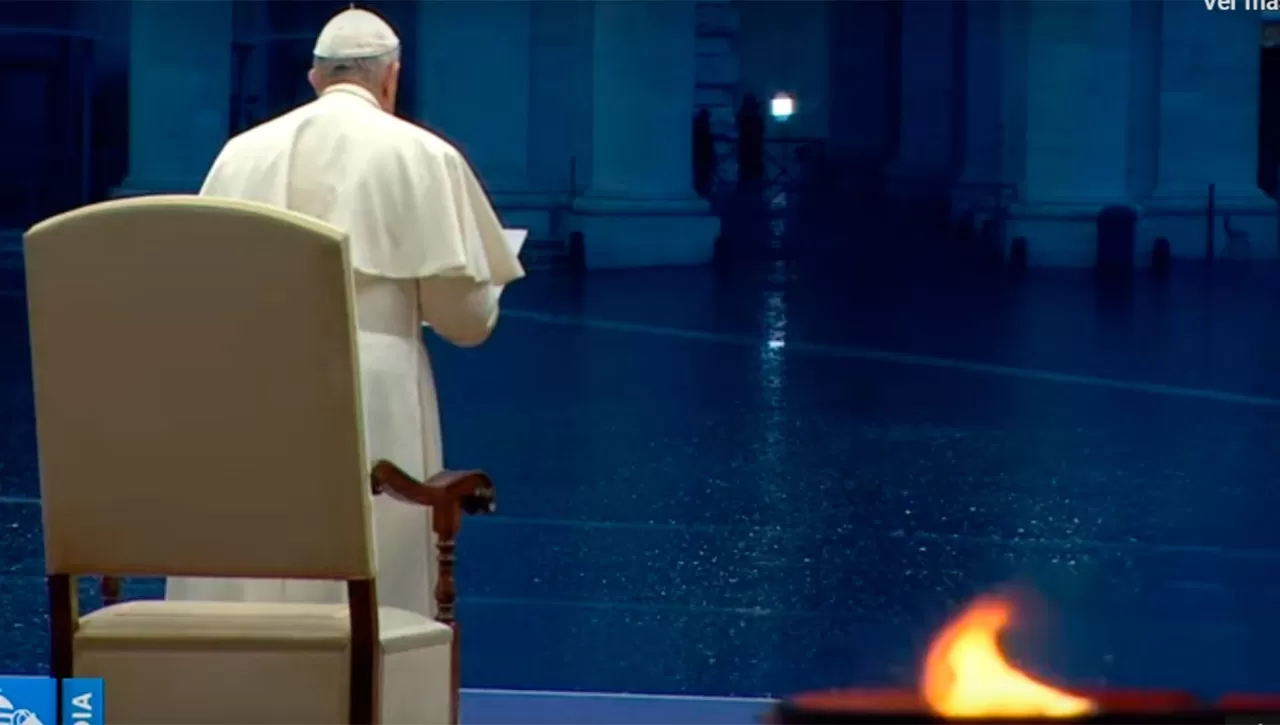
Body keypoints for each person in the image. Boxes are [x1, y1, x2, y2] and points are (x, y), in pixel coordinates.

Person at [165, 7, 525, 619]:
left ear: (315, 78)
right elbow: (465, 322)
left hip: (247, 392)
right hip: (372, 391)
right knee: (366, 585)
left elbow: (204, 297)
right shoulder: (424, 157)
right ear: (391, 79)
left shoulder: (239, 155)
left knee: (248, 573)